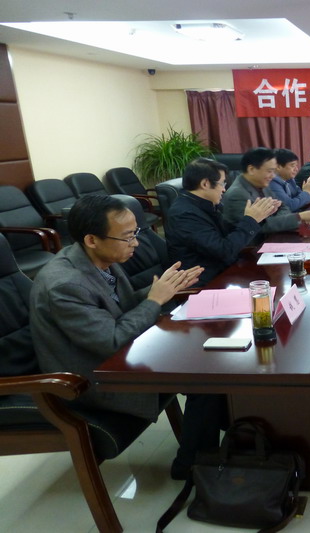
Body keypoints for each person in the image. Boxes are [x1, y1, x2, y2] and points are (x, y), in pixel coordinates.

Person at [29, 194, 223, 480]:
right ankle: (193, 466)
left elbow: (117, 307)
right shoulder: (65, 285)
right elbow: (112, 341)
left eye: (136, 233)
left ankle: (222, 444)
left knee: (212, 359)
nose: (136, 243)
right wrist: (154, 300)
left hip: (110, 356)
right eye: (127, 237)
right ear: (92, 239)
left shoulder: (96, 257)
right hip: (89, 379)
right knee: (206, 376)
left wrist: (163, 290)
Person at [167, 157, 277, 286]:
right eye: (222, 184)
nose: (224, 189)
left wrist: (259, 216)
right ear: (205, 184)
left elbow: (230, 235)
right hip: (206, 281)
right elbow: (224, 250)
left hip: (224, 270)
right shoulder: (185, 215)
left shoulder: (208, 204)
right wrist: (251, 220)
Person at [223, 147, 310, 233]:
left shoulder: (262, 184)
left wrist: (276, 215)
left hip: (275, 236)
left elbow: (283, 207)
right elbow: (259, 227)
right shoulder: (237, 194)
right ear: (251, 169)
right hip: (256, 245)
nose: (273, 176)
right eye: (269, 171)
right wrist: (298, 217)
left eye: (273, 171)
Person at [268, 148, 310, 212]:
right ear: (278, 167)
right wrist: (307, 191)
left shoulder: (290, 180)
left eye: (296, 165)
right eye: (292, 166)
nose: (296, 169)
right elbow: (289, 206)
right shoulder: (272, 183)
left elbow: (301, 199)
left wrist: (308, 190)